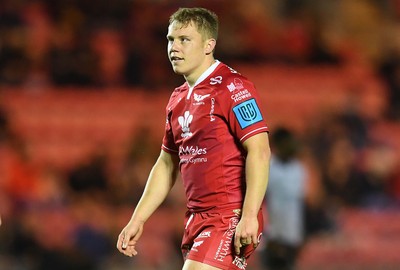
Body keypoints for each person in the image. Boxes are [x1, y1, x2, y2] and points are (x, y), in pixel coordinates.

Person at [116, 7, 271, 270]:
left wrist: (249, 214)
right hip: (195, 219)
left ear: (209, 44)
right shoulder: (177, 99)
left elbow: (260, 150)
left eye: (184, 40)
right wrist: (137, 219)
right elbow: (166, 164)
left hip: (228, 215)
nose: (174, 48)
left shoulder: (232, 87)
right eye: (170, 40)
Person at [263, 127, 307, 270]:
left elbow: (299, 204)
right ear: (278, 145)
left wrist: (300, 235)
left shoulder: (299, 169)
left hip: (292, 236)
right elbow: (261, 202)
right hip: (272, 237)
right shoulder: (267, 167)